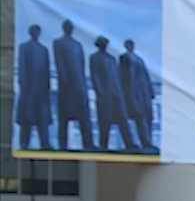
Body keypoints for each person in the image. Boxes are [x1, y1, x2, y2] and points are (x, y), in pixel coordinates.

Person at [88, 35, 138, 151]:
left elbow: (116, 76)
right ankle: (103, 145)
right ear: (99, 45)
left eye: (105, 43)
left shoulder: (111, 58)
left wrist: (119, 92)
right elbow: (95, 76)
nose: (104, 46)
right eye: (102, 44)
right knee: (105, 122)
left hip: (116, 94)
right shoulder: (94, 58)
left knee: (123, 120)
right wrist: (100, 92)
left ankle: (129, 143)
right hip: (105, 95)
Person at [53, 20, 94, 150]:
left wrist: (83, 84)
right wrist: (64, 81)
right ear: (64, 28)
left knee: (83, 117)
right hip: (67, 86)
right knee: (64, 117)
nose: (69, 29)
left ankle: (88, 143)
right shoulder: (58, 43)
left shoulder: (78, 44)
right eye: (67, 27)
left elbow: (82, 64)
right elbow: (59, 63)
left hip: (79, 85)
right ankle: (62, 145)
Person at [16, 24, 52, 150]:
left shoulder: (44, 49)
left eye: (38, 31)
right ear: (31, 33)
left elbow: (47, 70)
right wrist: (23, 85)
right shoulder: (24, 47)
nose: (36, 34)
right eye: (34, 31)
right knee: (27, 118)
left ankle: (45, 143)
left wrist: (47, 88)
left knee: (42, 119)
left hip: (41, 90)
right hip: (28, 89)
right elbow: (22, 67)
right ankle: (24, 143)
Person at [118, 38, 155, 150]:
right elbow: (125, 77)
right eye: (129, 45)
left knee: (147, 118)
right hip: (133, 94)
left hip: (143, 94)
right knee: (139, 118)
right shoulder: (124, 58)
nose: (131, 46)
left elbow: (146, 76)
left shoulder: (139, 59)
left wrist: (151, 91)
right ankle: (144, 142)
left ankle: (147, 142)